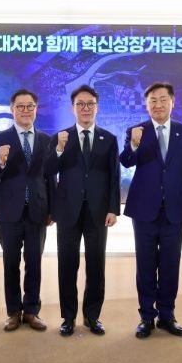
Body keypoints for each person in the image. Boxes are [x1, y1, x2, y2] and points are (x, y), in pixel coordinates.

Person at [119, 81, 182, 339]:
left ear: (173, 102)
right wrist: (133, 144)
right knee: (145, 265)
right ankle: (146, 316)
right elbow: (126, 161)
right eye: (152, 100)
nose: (158, 104)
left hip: (175, 210)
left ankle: (167, 315)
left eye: (163, 99)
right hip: (144, 210)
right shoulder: (136, 131)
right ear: (146, 104)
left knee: (169, 265)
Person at [45, 84, 120, 337]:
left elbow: (114, 176)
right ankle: (68, 317)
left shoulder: (109, 139)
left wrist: (113, 208)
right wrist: (58, 150)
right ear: (72, 108)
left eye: (90, 104)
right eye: (80, 104)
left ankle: (92, 316)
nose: (85, 108)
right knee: (67, 265)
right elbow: (48, 171)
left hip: (98, 212)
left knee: (96, 265)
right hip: (67, 211)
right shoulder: (61, 137)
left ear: (97, 107)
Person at [0, 89, 51, 332]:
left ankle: (32, 310)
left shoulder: (46, 140)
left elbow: (50, 178)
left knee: (34, 262)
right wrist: (1, 162)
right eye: (20, 106)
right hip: (8, 211)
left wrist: (52, 210)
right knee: (11, 262)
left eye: (30, 106)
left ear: (36, 108)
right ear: (12, 109)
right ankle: (13, 311)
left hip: (38, 210)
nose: (25, 110)